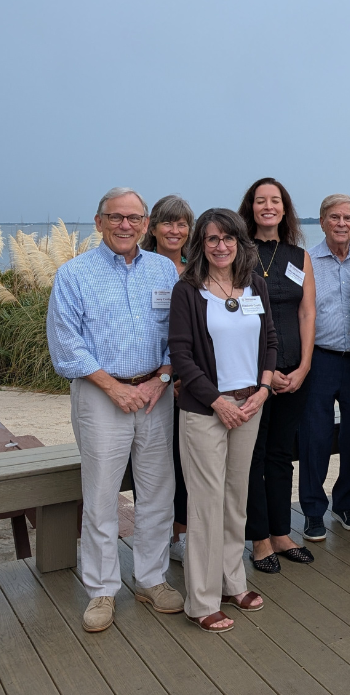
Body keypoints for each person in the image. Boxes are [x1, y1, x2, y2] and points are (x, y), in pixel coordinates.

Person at [47, 187, 183, 633]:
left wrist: (160, 378)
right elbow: (67, 344)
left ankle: (150, 579)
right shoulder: (74, 274)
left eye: (134, 218)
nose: (126, 225)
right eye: (116, 217)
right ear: (99, 220)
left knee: (157, 492)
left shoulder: (164, 269)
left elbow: (177, 336)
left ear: (146, 223)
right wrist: (113, 387)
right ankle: (102, 590)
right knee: (102, 496)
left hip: (155, 394)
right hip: (99, 395)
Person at [168, 207, 276, 632]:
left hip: (250, 406)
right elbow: (182, 356)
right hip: (206, 412)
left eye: (227, 238)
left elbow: (269, 341)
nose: (220, 246)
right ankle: (202, 600)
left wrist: (264, 389)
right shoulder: (188, 291)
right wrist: (217, 401)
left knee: (236, 499)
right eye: (211, 239)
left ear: (240, 241)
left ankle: (233, 581)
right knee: (206, 505)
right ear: (200, 244)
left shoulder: (255, 285)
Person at [238, 178, 317, 572]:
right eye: (260, 200)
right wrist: (265, 376)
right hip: (251, 374)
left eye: (275, 201)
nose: (267, 206)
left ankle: (283, 531)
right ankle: (259, 539)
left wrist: (303, 366)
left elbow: (307, 312)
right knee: (253, 455)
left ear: (284, 209)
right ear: (250, 207)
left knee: (282, 453)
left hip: (294, 372)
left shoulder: (298, 256)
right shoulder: (236, 253)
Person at [300, 194, 350, 541]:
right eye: (335, 217)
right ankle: (312, 510)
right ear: (322, 221)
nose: (342, 224)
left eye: (349, 218)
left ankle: (344, 504)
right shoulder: (306, 260)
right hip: (320, 358)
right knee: (316, 436)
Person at [140, 194, 193, 563]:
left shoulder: (198, 269)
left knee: (190, 458)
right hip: (155, 380)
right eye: (167, 223)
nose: (175, 230)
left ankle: (189, 531)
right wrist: (164, 373)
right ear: (153, 227)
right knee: (164, 462)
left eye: (182, 224)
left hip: (191, 379)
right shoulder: (142, 267)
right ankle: (169, 534)